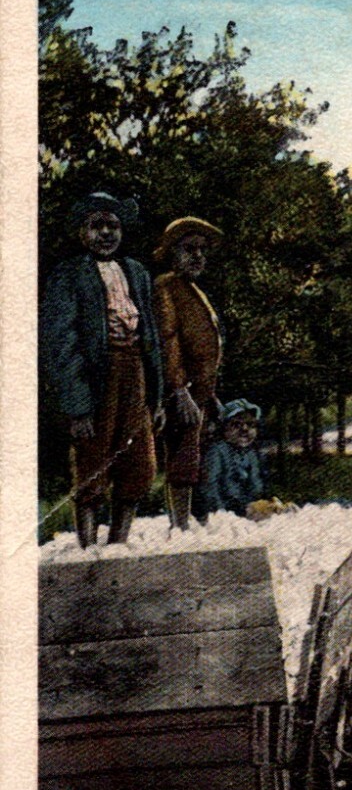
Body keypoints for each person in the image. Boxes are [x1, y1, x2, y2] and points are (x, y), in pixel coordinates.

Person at [42, 193, 166, 548]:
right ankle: (86, 548)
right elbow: (62, 344)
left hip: (135, 374)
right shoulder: (69, 275)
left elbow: (151, 338)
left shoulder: (137, 272)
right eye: (98, 226)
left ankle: (117, 545)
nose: (107, 233)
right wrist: (78, 406)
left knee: (137, 460)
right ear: (83, 232)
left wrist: (155, 399)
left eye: (113, 226)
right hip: (97, 378)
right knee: (93, 457)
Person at [152, 217, 225, 531]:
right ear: (172, 253)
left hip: (200, 392)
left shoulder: (195, 291)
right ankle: (179, 525)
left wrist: (211, 395)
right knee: (182, 456)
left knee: (197, 457)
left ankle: (195, 522)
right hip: (179, 392)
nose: (197, 256)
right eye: (189, 249)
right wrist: (179, 391)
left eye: (202, 250)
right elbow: (167, 340)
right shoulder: (165, 286)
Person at [199, 399, 267, 520]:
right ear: (224, 428)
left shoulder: (251, 454)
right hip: (222, 514)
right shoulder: (218, 451)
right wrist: (222, 514)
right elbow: (210, 487)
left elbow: (256, 485)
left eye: (250, 425)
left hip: (247, 512)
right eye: (236, 425)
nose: (245, 429)